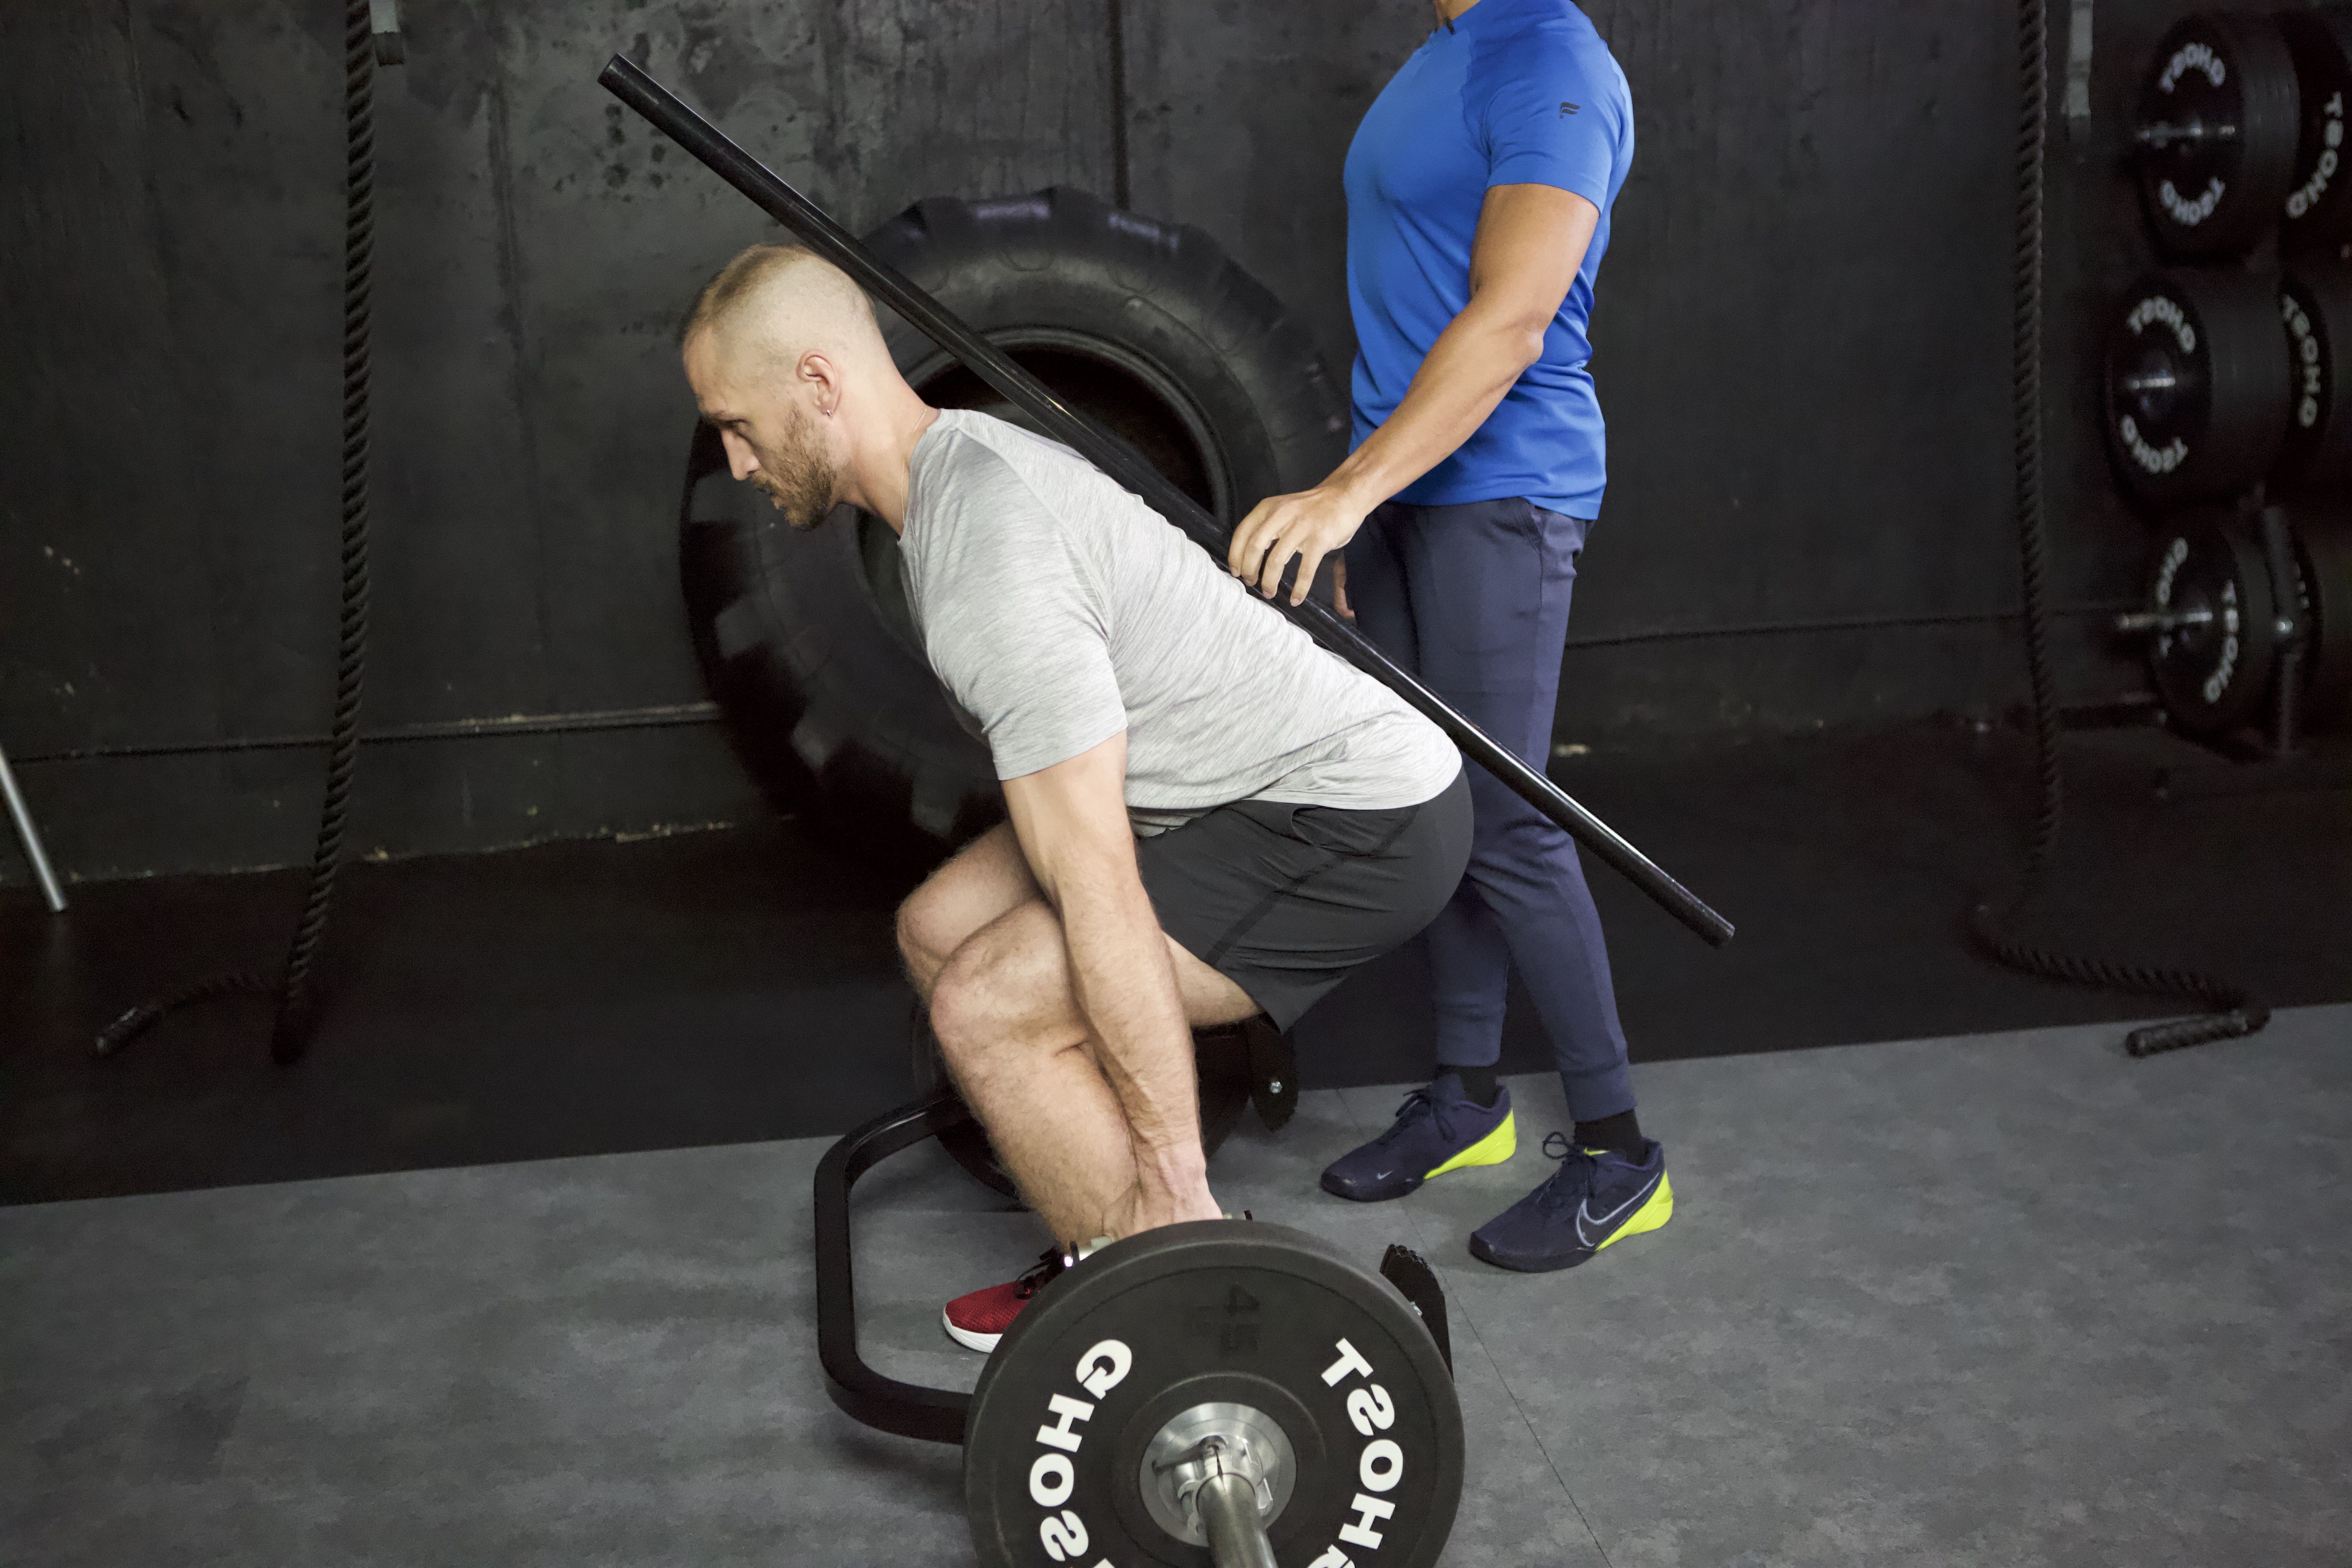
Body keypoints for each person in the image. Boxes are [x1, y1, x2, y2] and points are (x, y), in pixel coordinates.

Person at [678, 243, 1472, 1352]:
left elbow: (1092, 870)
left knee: (986, 1005)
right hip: (1212, 788)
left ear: (818, 385)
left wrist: (1173, 1169)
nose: (739, 461)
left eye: (738, 423)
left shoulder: (984, 554)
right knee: (937, 930)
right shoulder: (947, 480)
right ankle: (1103, 1232)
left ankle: (1175, 1297)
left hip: (1350, 819)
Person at [1223, 0, 1671, 1273]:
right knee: (1441, 801)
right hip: (1410, 489)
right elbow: (1411, 304)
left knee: (1515, 819)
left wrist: (1345, 496)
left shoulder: (1552, 63)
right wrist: (1366, 495)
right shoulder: (1450, 49)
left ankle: (1619, 1150)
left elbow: (1513, 321)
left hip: (1501, 490)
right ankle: (1467, 1096)